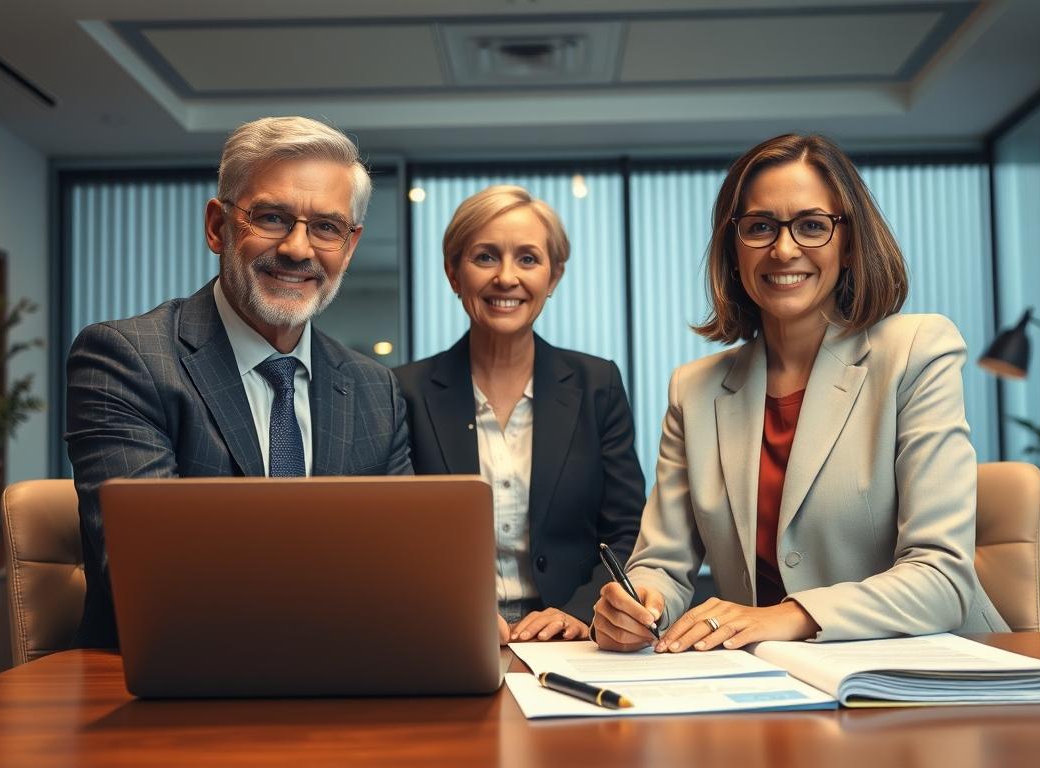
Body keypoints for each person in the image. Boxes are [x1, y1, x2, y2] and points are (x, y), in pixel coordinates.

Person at [592, 134, 1008, 653]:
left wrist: (790, 615)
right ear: (733, 247)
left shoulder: (917, 351)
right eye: (760, 227)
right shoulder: (693, 390)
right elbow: (662, 563)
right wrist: (638, 604)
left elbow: (941, 579)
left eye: (812, 225)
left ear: (850, 243)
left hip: (926, 678)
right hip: (769, 688)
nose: (783, 249)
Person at [66, 116, 412, 649]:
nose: (299, 249)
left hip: (347, 684)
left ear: (350, 245)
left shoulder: (376, 391)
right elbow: (151, 576)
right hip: (170, 692)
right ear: (217, 226)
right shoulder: (127, 360)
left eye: (326, 227)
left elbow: (404, 570)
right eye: (272, 217)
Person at [396, 185, 645, 646]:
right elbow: (396, 542)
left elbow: (627, 529)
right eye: (485, 257)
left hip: (574, 640)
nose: (506, 277)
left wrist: (578, 613)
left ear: (554, 277)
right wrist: (455, 612)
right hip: (447, 635)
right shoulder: (403, 392)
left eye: (528, 259)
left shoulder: (597, 384)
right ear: (453, 273)